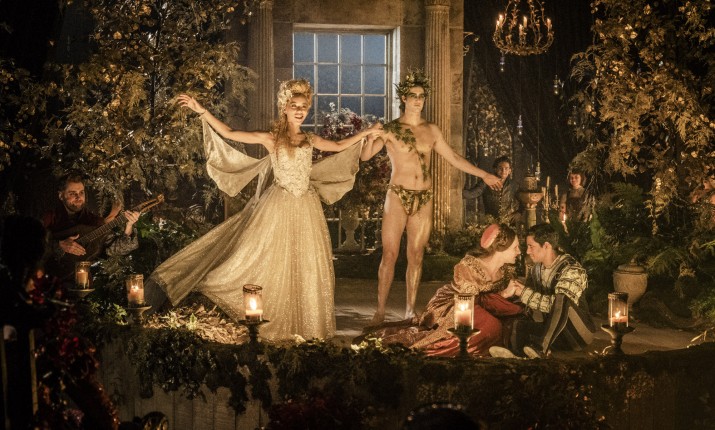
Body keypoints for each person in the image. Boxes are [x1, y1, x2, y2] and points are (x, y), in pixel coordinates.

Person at [145, 79, 381, 341]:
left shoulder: (310, 139)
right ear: (285, 108)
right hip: (279, 205)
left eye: (304, 106)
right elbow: (230, 133)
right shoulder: (272, 139)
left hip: (306, 207)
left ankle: (305, 328)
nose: (300, 111)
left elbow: (337, 147)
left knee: (305, 265)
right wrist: (202, 111)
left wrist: (365, 133)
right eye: (294, 106)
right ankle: (266, 316)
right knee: (269, 259)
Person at [361, 70, 502, 324]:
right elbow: (365, 156)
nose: (418, 100)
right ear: (403, 98)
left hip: (424, 197)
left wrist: (484, 175)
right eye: (413, 95)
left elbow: (454, 158)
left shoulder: (431, 130)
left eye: (422, 96)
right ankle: (380, 311)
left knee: (416, 255)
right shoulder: (391, 129)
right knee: (390, 254)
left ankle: (410, 310)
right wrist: (371, 136)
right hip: (397, 195)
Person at [357, 224, 523, 358]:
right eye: (515, 247)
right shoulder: (469, 266)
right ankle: (454, 349)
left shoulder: (506, 271)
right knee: (489, 325)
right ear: (500, 248)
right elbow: (468, 301)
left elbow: (492, 301)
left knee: (508, 321)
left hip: (479, 306)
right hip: (454, 304)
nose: (519, 252)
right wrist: (503, 295)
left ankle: (495, 347)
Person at [506, 223, 596, 358]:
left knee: (562, 298)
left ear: (546, 246)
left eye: (531, 246)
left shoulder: (571, 269)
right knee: (518, 325)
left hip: (579, 335)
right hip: (555, 334)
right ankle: (515, 355)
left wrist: (524, 293)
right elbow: (528, 300)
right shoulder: (536, 269)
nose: (528, 251)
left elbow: (556, 305)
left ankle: (541, 348)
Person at [42, 171, 140, 279]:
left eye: (81, 192)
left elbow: (115, 249)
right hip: (47, 279)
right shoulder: (49, 218)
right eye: (72, 193)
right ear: (61, 195)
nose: (78, 197)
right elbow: (31, 245)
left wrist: (129, 226)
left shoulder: (93, 221)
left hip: (84, 281)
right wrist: (59, 245)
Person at [463, 155, 520, 224]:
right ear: (495, 169)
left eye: (506, 168)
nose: (503, 171)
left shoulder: (513, 185)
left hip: (507, 223)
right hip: (490, 222)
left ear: (510, 171)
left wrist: (519, 212)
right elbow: (472, 194)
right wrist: (460, 193)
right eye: (500, 168)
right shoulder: (486, 182)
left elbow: (523, 200)